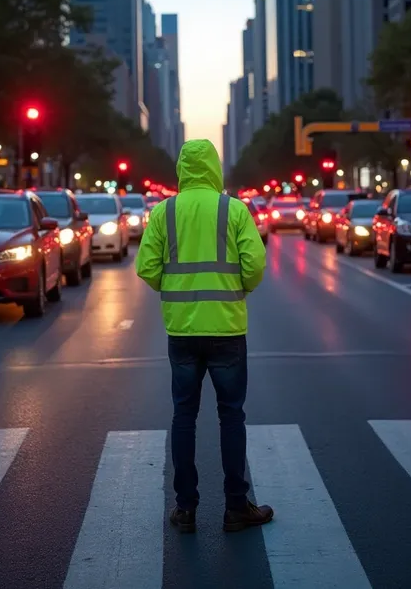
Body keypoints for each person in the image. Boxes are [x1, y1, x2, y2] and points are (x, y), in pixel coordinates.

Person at [135, 139, 273, 533]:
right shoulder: (234, 209)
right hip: (227, 328)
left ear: (181, 169)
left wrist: (173, 289)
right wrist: (238, 289)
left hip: (181, 330)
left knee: (184, 415)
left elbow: (146, 267)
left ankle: (186, 508)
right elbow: (256, 262)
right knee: (231, 415)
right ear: (214, 167)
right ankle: (235, 507)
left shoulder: (165, 212)